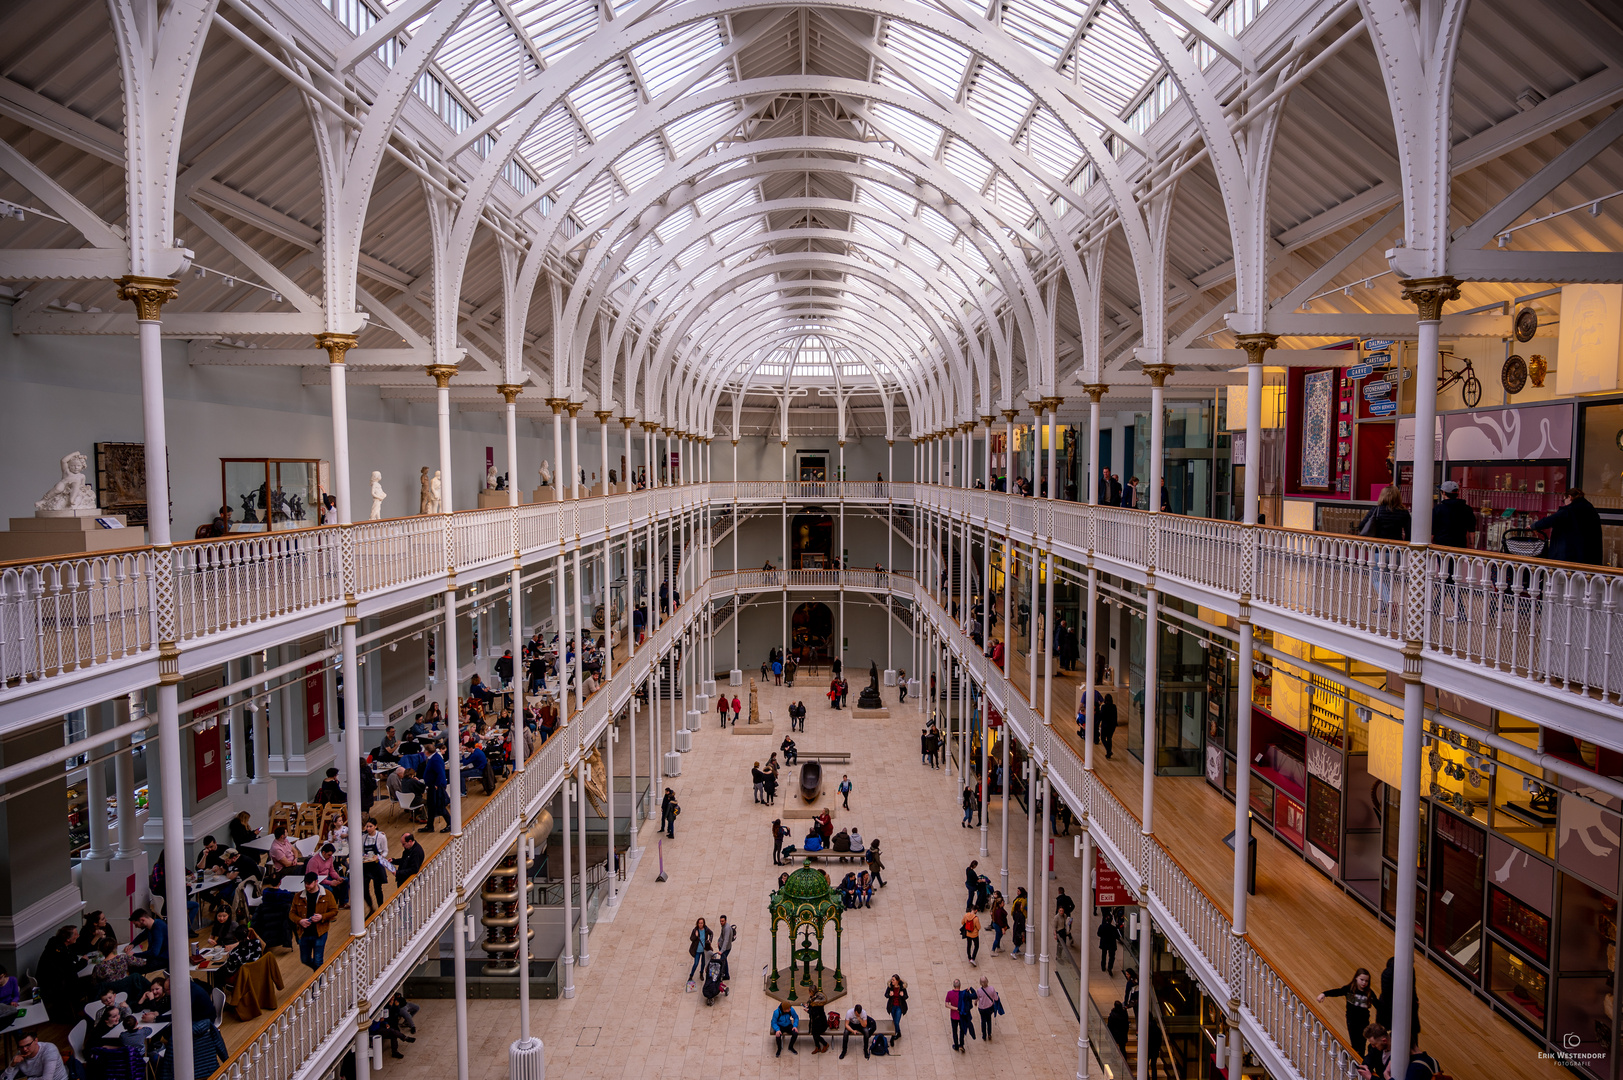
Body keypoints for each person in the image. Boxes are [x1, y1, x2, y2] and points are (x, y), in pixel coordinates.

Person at [1319, 967, 1380, 1056]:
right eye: (1361, 980)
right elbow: (1338, 992)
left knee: (1362, 1043)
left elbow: (1378, 1005)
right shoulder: (1349, 989)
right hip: (1352, 1021)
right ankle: (1354, 1058)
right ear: (1356, 978)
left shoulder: (1369, 993)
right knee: (1355, 1043)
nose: (1364, 983)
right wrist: (1324, 994)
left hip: (1364, 1022)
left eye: (1366, 981)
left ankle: (1359, 1061)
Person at [1536, 487, 1604, 564]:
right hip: (1590, 558)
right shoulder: (1590, 509)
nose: (1564, 503)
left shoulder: (1569, 510)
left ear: (1570, 497)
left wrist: (1533, 526)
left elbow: (1550, 520)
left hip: (1569, 558)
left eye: (1563, 500)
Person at [289, 873, 338, 970]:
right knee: (305, 959)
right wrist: (300, 921)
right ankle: (318, 972)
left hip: (320, 932)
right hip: (304, 933)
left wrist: (322, 917)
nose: (307, 885)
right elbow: (292, 914)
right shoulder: (298, 896)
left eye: (309, 883)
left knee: (318, 960)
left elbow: (334, 911)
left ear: (316, 882)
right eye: (305, 883)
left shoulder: (327, 895)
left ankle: (319, 982)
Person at [358, 819, 390, 911]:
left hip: (376, 865)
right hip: (366, 865)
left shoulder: (381, 837)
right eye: (367, 826)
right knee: (364, 888)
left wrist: (380, 857)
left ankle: (381, 908)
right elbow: (362, 851)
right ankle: (371, 908)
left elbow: (385, 851)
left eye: (370, 826)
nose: (368, 828)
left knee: (377, 889)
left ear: (375, 826)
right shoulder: (364, 837)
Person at [306, 842, 348, 908]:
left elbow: (332, 871)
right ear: (323, 853)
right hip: (317, 881)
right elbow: (316, 879)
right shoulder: (314, 861)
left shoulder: (329, 858)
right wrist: (331, 883)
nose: (330, 857)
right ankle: (330, 907)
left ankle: (343, 903)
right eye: (329, 855)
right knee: (329, 889)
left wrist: (338, 878)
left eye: (331, 855)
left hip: (326, 877)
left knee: (345, 881)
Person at [424, 743, 451, 833]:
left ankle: (450, 823)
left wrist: (436, 785)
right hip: (433, 785)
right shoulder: (434, 757)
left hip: (436, 787)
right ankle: (429, 825)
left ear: (427, 752)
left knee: (440, 805)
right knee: (431, 806)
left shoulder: (435, 759)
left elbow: (440, 773)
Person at [686, 918, 712, 990]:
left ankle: (701, 973)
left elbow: (711, 933)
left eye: (702, 923)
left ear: (704, 923)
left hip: (703, 950)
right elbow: (691, 939)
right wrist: (696, 936)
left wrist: (710, 940)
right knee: (696, 963)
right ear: (697, 924)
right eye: (699, 923)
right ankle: (691, 975)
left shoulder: (706, 929)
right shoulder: (695, 930)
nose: (700, 924)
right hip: (697, 950)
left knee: (703, 963)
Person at [975, 976, 1000, 1042]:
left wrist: (975, 1002)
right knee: (989, 1020)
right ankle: (989, 1034)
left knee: (983, 1021)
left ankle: (984, 1035)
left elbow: (977, 997)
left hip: (982, 1008)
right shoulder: (992, 988)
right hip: (989, 1007)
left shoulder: (979, 990)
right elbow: (996, 998)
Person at [885, 974, 908, 1042]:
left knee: (896, 1022)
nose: (892, 981)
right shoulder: (890, 987)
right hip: (892, 1006)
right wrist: (889, 994)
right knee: (894, 1021)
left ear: (897, 981)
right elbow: (886, 995)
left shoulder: (902, 988)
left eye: (893, 980)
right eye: (892, 979)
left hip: (899, 1007)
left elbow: (906, 997)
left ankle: (895, 1033)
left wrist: (903, 995)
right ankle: (898, 1032)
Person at [714, 914, 736, 981]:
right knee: (724, 960)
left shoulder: (727, 928)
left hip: (726, 948)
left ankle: (723, 974)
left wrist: (722, 951)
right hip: (722, 946)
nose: (721, 922)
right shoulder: (723, 926)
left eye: (723, 921)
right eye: (720, 921)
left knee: (722, 961)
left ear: (725, 921)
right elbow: (722, 935)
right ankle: (726, 974)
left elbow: (726, 940)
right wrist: (719, 941)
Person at [1098, 694, 1119, 759]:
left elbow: (1101, 716)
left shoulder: (1104, 707)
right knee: (1109, 738)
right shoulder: (1114, 706)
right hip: (1112, 725)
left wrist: (1098, 722)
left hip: (1105, 725)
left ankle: (1108, 751)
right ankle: (1108, 752)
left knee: (1103, 738)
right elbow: (1115, 716)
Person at [1011, 887, 1028, 959]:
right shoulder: (1020, 915)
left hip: (1016, 926)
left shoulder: (1015, 913)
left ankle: (1017, 951)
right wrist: (1023, 931)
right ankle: (1014, 952)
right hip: (1019, 928)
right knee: (1019, 940)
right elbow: (1022, 923)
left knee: (1017, 939)